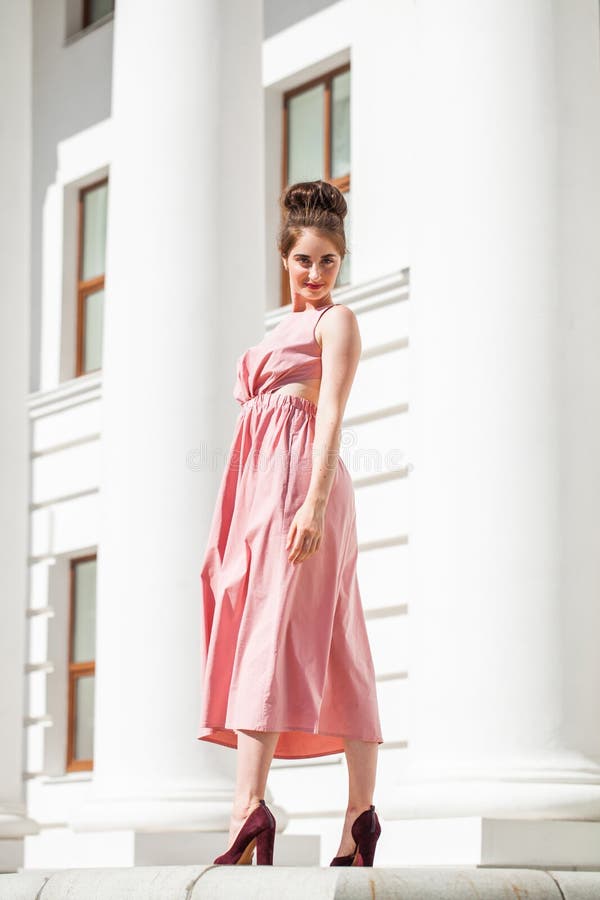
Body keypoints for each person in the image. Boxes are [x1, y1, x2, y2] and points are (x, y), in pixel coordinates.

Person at [197, 180, 383, 867]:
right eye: (305, 260)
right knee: (324, 640)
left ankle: (249, 808)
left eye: (328, 261)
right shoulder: (276, 332)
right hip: (256, 492)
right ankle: (359, 820)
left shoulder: (336, 322)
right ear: (285, 259)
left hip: (303, 487)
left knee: (285, 637)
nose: (315, 273)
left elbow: (330, 411)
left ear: (340, 263)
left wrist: (312, 498)